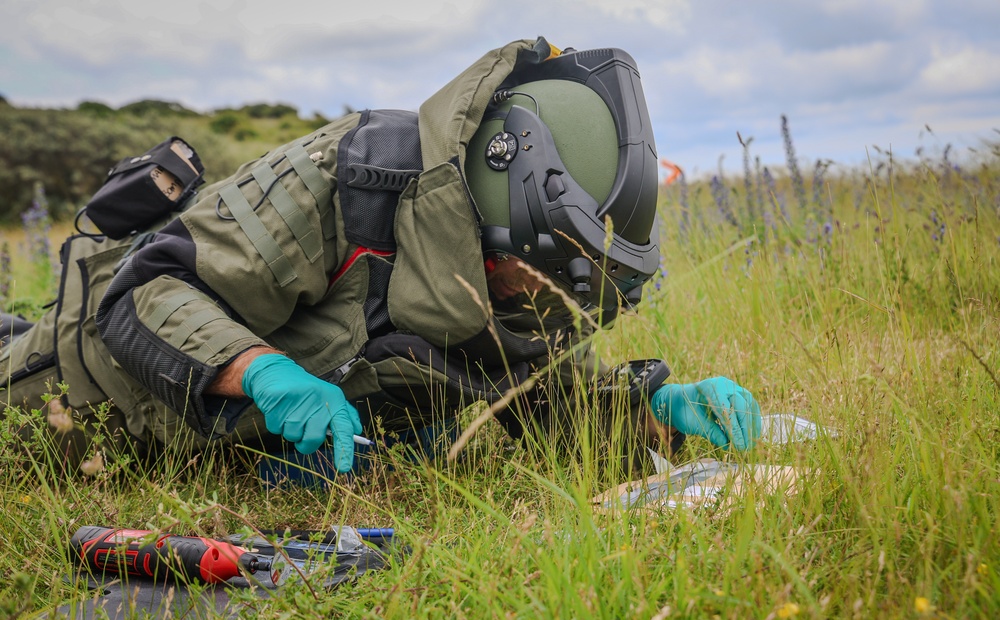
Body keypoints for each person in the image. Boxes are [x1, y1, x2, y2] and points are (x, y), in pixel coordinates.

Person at [0, 37, 760, 477]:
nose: (540, 308)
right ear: (497, 219)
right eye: (540, 280)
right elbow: (147, 291)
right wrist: (263, 374)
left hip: (204, 445)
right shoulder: (348, 180)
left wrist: (657, 409)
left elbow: (536, 389)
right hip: (84, 383)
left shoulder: (495, 279)